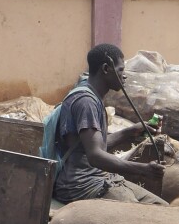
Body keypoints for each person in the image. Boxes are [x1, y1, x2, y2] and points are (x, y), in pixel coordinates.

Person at [51, 43, 167, 204]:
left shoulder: (92, 96)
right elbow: (95, 156)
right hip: (81, 185)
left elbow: (95, 146)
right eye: (120, 70)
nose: (124, 75)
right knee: (143, 218)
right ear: (106, 69)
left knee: (160, 206)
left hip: (101, 178)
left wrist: (130, 131)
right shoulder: (86, 102)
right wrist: (143, 170)